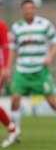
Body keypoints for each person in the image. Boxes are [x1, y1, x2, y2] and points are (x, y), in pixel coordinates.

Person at [8, 0, 56, 145]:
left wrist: (50, 56)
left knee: (52, 101)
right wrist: (8, 67)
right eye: (25, 9)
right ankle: (16, 133)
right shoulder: (16, 27)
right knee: (15, 100)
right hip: (22, 70)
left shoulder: (44, 24)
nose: (28, 11)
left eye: (31, 8)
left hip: (40, 71)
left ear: (35, 9)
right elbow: (12, 49)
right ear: (22, 10)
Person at [0, 19, 17, 148]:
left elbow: (6, 47)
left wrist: (6, 68)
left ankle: (12, 130)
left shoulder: (1, 25)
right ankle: (13, 129)